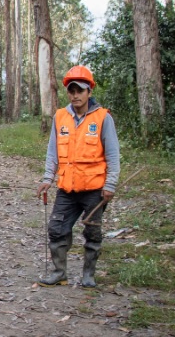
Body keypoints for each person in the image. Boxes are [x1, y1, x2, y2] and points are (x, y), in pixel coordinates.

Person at [37, 65, 120, 288]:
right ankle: (59, 272)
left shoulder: (103, 118)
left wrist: (110, 184)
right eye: (71, 91)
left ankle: (88, 275)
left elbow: (113, 154)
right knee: (57, 229)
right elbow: (52, 152)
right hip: (67, 188)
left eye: (80, 90)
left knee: (92, 232)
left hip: (95, 189)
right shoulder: (60, 117)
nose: (75, 95)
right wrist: (47, 179)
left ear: (89, 92)